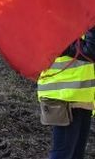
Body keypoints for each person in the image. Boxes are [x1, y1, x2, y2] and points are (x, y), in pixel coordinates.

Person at [37, 28, 95, 159]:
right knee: (63, 154)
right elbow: (90, 51)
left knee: (75, 154)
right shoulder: (62, 18)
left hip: (82, 94)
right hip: (65, 94)